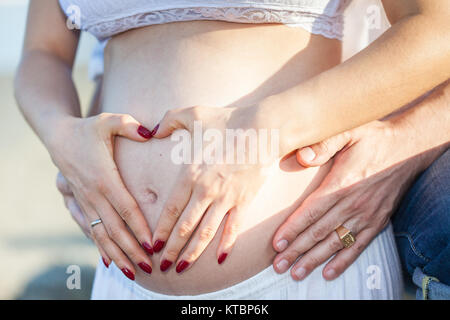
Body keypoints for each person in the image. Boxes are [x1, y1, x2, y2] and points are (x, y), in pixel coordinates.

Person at [15, 0, 449, 299]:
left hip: (303, 262)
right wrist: (62, 137)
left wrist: (263, 130)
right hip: (123, 278)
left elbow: (435, 29)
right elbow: (42, 52)